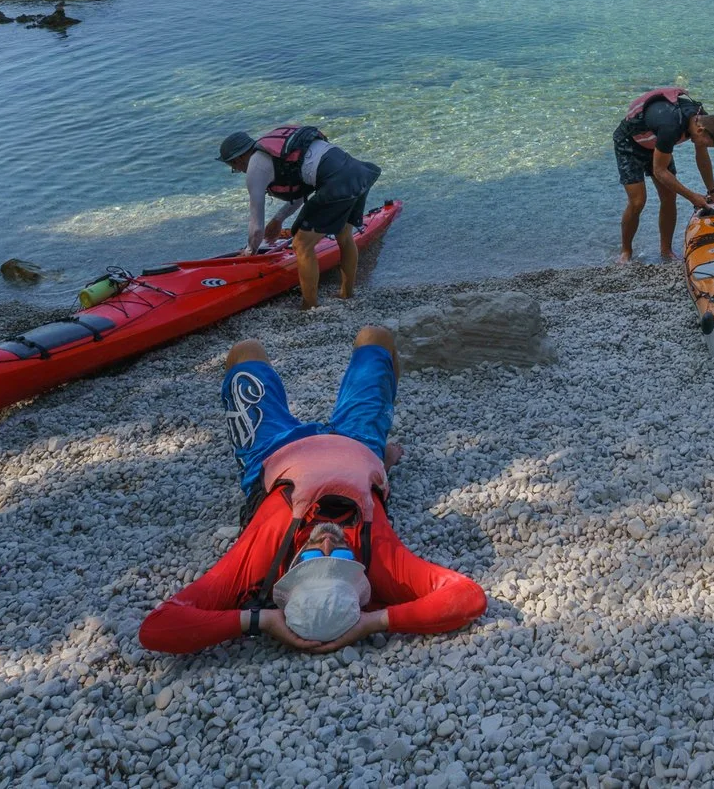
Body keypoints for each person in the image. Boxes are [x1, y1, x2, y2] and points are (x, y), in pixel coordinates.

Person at [139, 326, 486, 655]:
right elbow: (468, 597)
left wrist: (261, 621)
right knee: (375, 337)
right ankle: (381, 460)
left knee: (245, 352)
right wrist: (373, 623)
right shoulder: (380, 562)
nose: (326, 543)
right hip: (357, 444)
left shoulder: (257, 560)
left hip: (273, 452)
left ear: (287, 579)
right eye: (342, 560)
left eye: (307, 560)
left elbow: (158, 628)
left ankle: (379, 463)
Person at [219, 124, 384, 309]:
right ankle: (346, 294)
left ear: (239, 157)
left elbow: (256, 226)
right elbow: (301, 192)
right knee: (344, 236)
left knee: (301, 245)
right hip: (357, 171)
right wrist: (278, 219)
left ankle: (309, 307)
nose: (239, 170)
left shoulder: (256, 167)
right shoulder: (277, 151)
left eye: (233, 165)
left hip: (337, 182)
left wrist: (249, 252)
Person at [613, 86, 714, 262]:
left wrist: (713, 192)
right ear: (700, 130)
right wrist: (692, 197)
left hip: (658, 147)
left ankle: (666, 251)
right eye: (706, 143)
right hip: (629, 145)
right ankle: (626, 251)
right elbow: (660, 171)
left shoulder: (700, 118)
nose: (704, 147)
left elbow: (702, 157)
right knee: (638, 202)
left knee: (669, 197)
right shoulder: (671, 126)